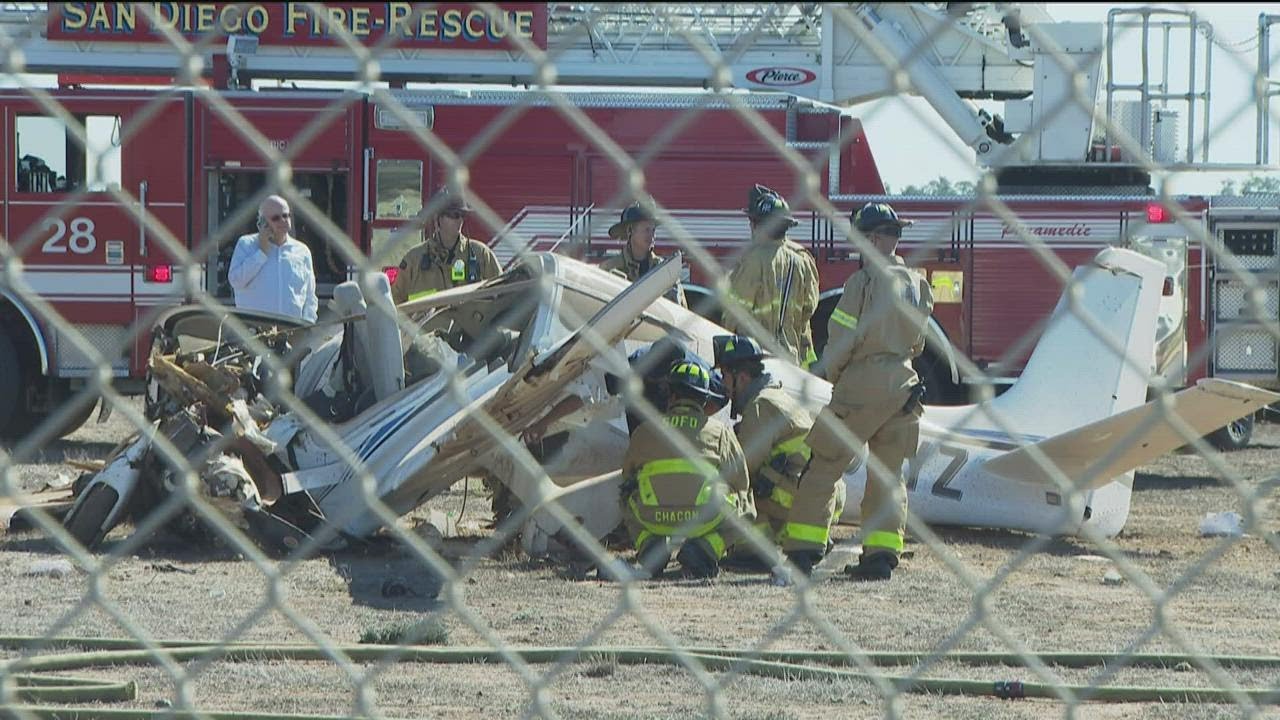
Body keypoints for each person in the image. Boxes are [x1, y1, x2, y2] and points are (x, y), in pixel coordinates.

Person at [783, 202, 934, 582]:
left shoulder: (862, 282)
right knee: (888, 475)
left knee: (822, 466)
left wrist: (828, 374)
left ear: (871, 239)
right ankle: (880, 556)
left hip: (861, 384)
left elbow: (842, 341)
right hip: (904, 386)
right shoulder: (918, 284)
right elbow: (918, 344)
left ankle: (803, 553)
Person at [712, 334, 844, 570]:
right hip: (813, 495)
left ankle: (753, 550)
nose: (722, 384)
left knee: (734, 490)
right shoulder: (775, 397)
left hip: (796, 495)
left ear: (741, 378)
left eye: (725, 376)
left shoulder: (760, 405)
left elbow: (743, 468)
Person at [617, 359, 755, 579]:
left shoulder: (645, 430)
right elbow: (741, 481)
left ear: (670, 395)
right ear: (705, 399)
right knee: (745, 500)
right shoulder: (720, 432)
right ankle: (705, 549)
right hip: (703, 517)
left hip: (652, 516)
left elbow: (626, 476)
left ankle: (649, 546)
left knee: (626, 493)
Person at [724, 185, 819, 368]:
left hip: (756, 358)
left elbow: (733, 316)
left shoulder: (753, 261)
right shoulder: (800, 261)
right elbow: (808, 308)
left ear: (757, 224)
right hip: (791, 358)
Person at [391, 186, 501, 305]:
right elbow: (395, 303)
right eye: (454, 215)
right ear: (438, 218)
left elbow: (503, 293)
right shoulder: (413, 260)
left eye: (462, 215)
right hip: (426, 323)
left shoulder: (482, 256)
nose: (459, 220)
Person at [228, 195, 318, 323]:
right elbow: (236, 281)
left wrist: (308, 324)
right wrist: (262, 253)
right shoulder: (246, 245)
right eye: (276, 218)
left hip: (291, 330)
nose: (283, 220)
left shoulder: (302, 251)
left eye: (286, 215)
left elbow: (310, 296)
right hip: (254, 329)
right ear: (262, 223)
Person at [600, 201, 687, 307]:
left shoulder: (665, 271)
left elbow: (682, 310)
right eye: (647, 230)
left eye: (653, 230)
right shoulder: (609, 269)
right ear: (630, 230)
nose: (652, 235)